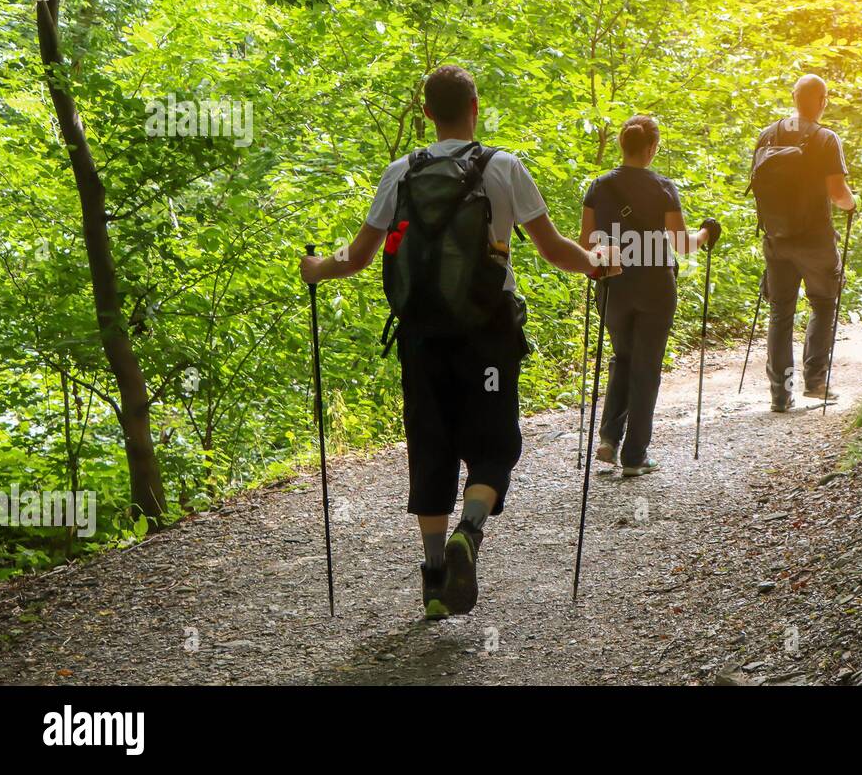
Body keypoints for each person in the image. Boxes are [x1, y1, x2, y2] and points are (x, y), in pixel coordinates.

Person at [300, 64, 619, 619]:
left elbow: (356, 258)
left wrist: (315, 269)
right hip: (488, 336)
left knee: (431, 449)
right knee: (493, 447)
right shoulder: (503, 166)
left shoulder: (401, 171)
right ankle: (468, 535)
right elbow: (551, 248)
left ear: (426, 114)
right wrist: (595, 264)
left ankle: (433, 585)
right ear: (476, 106)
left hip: (422, 339)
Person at [579, 115, 720, 477]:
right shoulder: (663, 187)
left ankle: (609, 438)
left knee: (623, 357)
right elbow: (681, 244)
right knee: (647, 368)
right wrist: (705, 234)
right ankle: (635, 455)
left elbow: (586, 246)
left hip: (614, 285)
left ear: (621, 146)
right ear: (652, 148)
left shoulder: (598, 187)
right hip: (656, 286)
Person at [754, 75, 856, 412]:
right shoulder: (826, 139)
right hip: (815, 240)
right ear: (823, 101)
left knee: (781, 313)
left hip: (777, 238)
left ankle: (780, 395)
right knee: (824, 304)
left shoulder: (767, 135)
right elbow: (839, 195)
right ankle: (815, 382)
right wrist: (853, 203)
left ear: (794, 97)